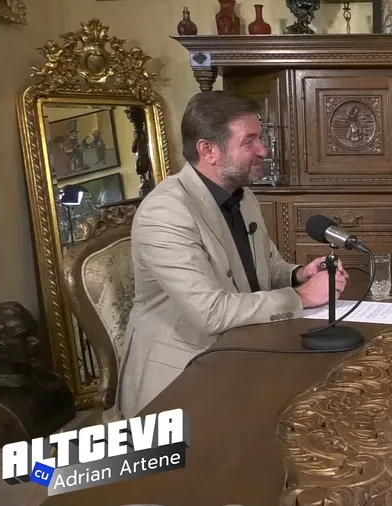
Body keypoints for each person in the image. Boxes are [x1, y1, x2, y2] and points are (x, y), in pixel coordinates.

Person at [117, 91, 348, 418]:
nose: (263, 150)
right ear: (208, 150)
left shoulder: (244, 197)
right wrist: (303, 296)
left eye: (260, 139)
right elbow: (211, 313)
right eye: (249, 141)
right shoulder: (165, 212)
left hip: (245, 349)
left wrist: (299, 274)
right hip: (182, 376)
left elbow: (266, 268)